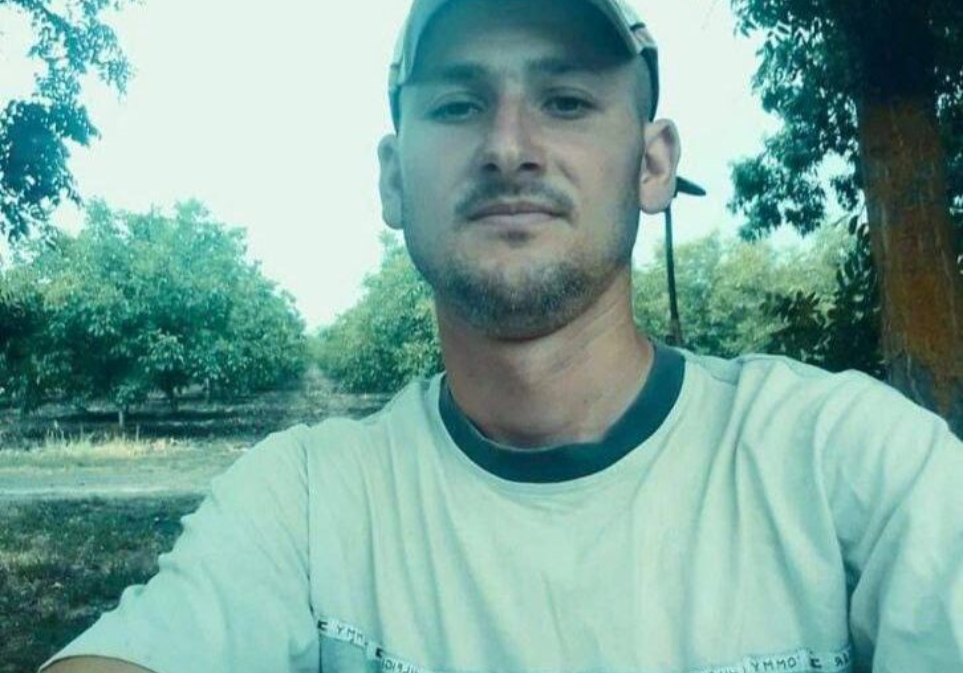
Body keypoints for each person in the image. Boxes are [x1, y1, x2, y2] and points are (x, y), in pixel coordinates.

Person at [40, 0, 962, 671]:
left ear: (651, 164)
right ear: (392, 179)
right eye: (456, 105)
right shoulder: (310, 501)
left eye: (566, 101)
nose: (509, 146)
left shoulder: (852, 462)